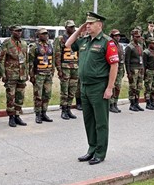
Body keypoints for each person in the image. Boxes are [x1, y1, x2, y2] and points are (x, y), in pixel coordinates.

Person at [66, 12, 119, 165]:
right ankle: (91, 149)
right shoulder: (84, 41)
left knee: (100, 122)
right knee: (88, 120)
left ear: (99, 25)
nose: (88, 26)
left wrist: (109, 88)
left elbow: (114, 65)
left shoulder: (107, 42)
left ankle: (100, 153)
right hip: (84, 86)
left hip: (99, 87)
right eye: (86, 24)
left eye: (91, 23)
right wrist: (80, 29)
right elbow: (68, 44)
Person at [0, 25, 29, 127]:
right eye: (17, 31)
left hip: (21, 74)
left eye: (20, 31)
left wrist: (27, 73)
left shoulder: (24, 43)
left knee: (20, 96)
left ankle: (17, 115)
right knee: (10, 96)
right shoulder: (7, 43)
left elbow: (26, 60)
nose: (19, 32)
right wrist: (3, 74)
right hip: (10, 74)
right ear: (12, 31)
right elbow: (2, 59)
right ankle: (11, 117)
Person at [53, 20, 79, 120]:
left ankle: (69, 108)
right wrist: (59, 69)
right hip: (65, 67)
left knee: (72, 89)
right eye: (70, 27)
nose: (72, 29)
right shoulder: (60, 39)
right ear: (66, 28)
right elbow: (57, 55)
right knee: (65, 90)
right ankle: (63, 110)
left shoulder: (77, 38)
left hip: (75, 67)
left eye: (73, 27)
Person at [29, 28, 54, 124]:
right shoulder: (34, 47)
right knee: (38, 95)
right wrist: (31, 75)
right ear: (38, 35)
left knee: (47, 94)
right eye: (43, 34)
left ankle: (44, 112)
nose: (45, 35)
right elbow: (30, 62)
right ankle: (38, 114)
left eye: (46, 34)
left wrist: (52, 70)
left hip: (48, 73)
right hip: (38, 74)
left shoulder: (50, 45)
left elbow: (52, 59)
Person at [124, 29, 145, 112]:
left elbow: (142, 59)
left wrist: (142, 68)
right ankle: (132, 104)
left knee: (138, 87)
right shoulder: (130, 47)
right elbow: (127, 61)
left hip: (140, 68)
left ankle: (137, 103)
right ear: (133, 37)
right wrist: (128, 72)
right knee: (133, 87)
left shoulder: (140, 46)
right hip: (133, 69)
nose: (138, 38)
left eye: (139, 36)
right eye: (137, 37)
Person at [108, 29, 125, 113]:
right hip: (112, 68)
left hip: (120, 68)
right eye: (116, 36)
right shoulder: (110, 45)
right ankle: (110, 104)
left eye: (119, 36)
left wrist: (123, 69)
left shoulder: (120, 46)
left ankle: (115, 103)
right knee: (112, 86)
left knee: (118, 87)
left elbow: (122, 59)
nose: (118, 37)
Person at [142, 37, 154, 110]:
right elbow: (144, 64)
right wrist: (144, 73)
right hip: (149, 71)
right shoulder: (146, 52)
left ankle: (152, 101)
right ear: (149, 44)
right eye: (153, 43)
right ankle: (148, 102)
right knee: (148, 88)